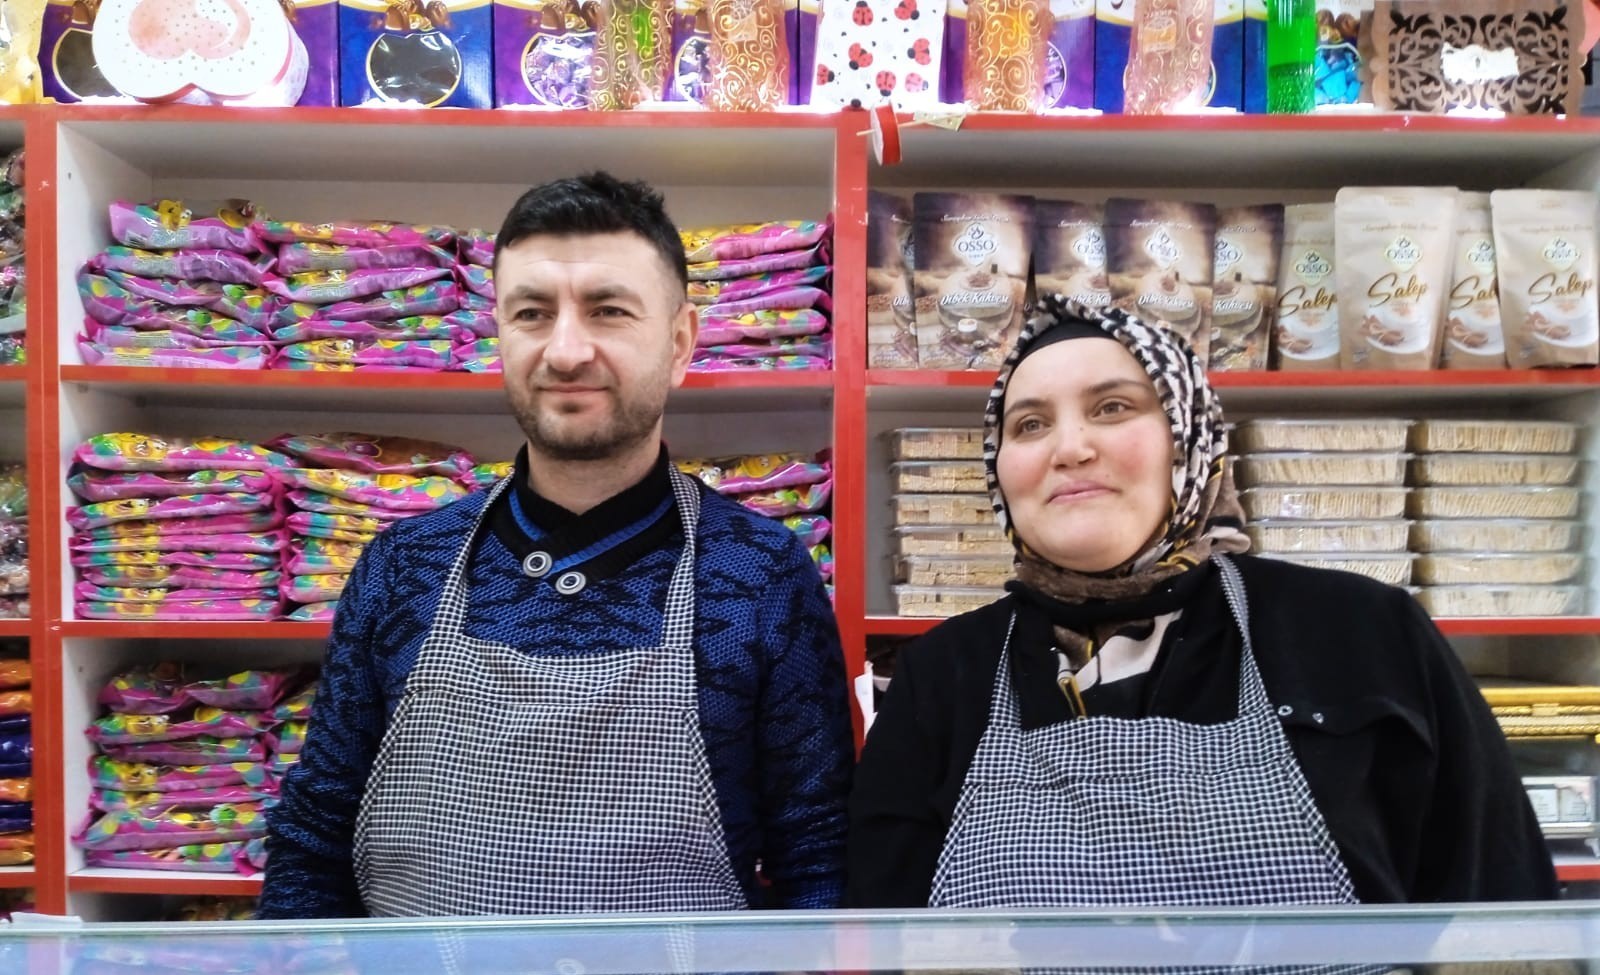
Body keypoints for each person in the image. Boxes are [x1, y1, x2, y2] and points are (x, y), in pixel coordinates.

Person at [261, 172, 852, 918]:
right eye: (533, 313)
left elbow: (820, 860)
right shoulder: (400, 566)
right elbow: (313, 844)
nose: (566, 351)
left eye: (608, 311)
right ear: (499, 333)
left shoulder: (760, 573)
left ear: (679, 342)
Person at [847, 298, 1557, 908]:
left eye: (1113, 406)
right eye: (1029, 424)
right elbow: (886, 940)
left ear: (1190, 438)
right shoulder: (941, 677)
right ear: (998, 470)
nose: (1070, 446)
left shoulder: (1363, 634)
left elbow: (1498, 910)